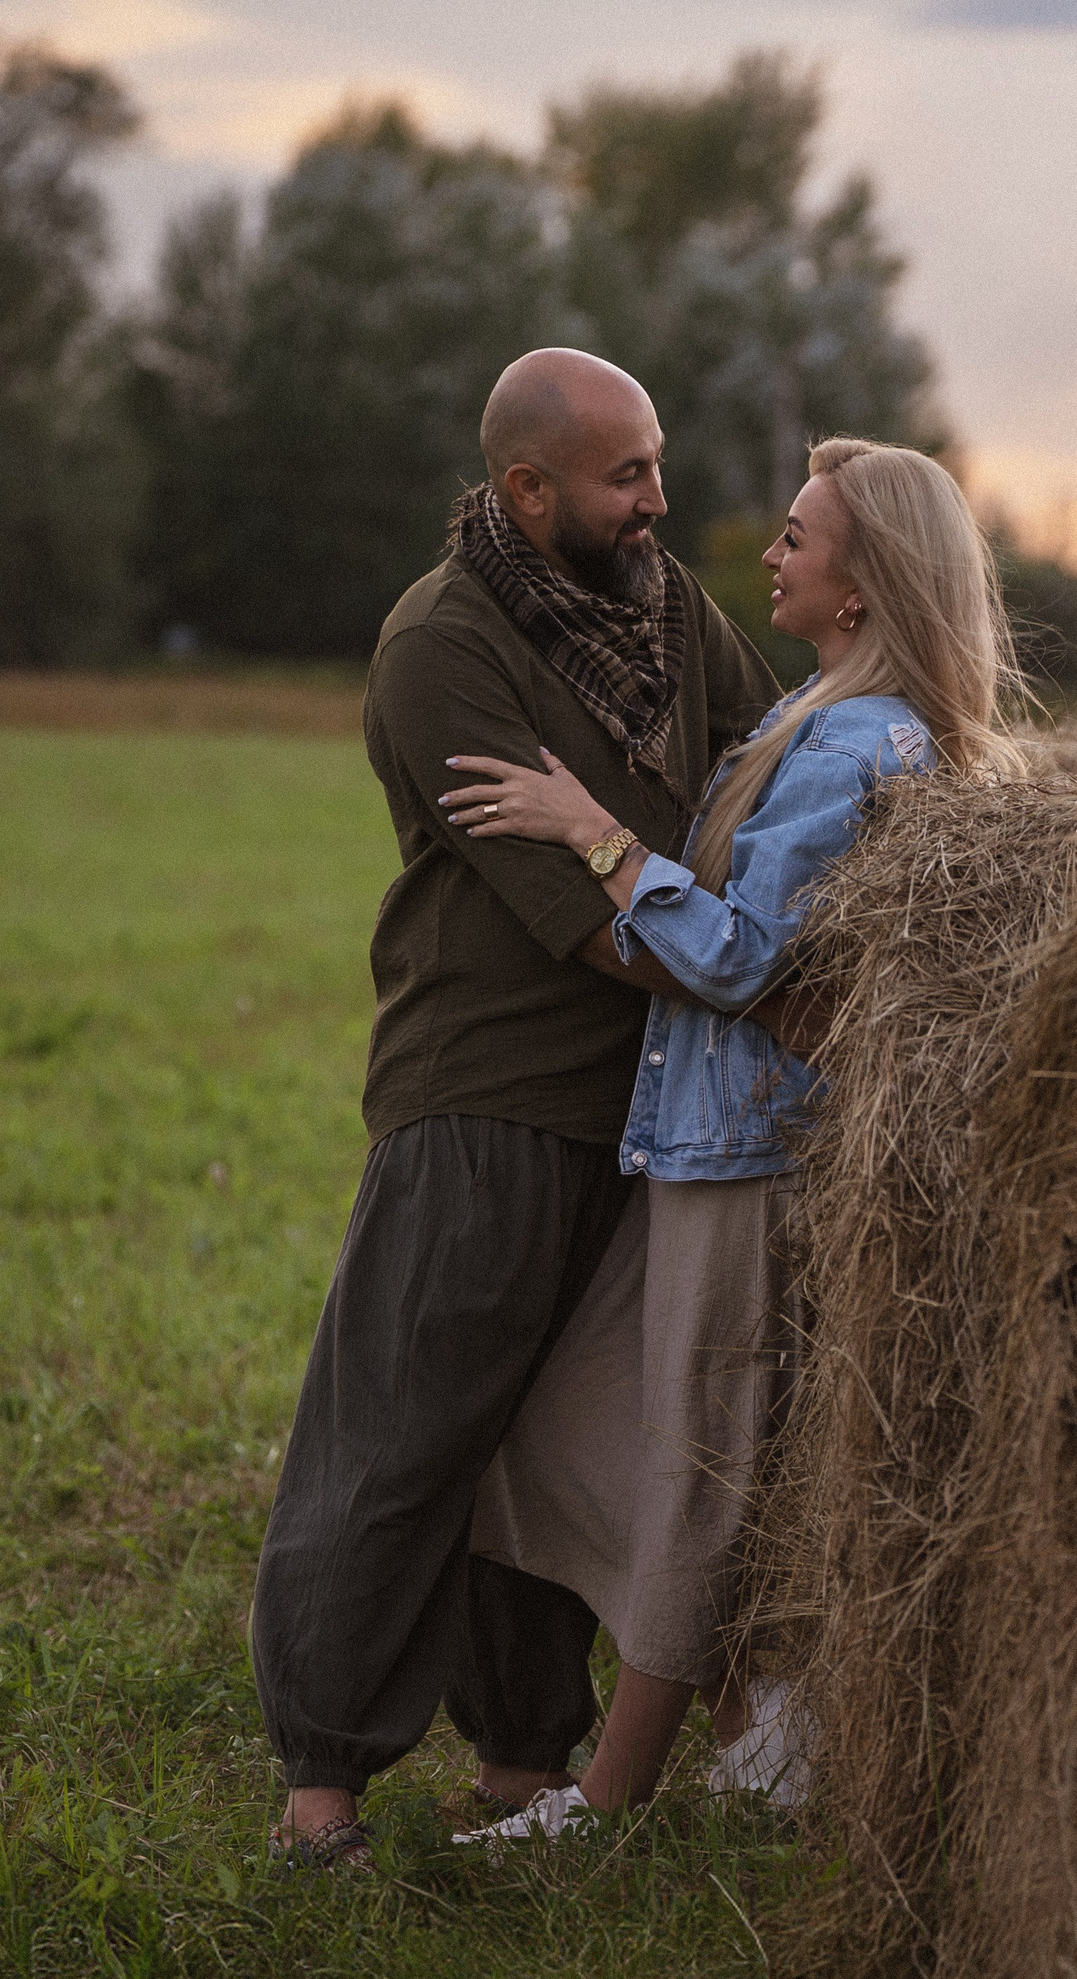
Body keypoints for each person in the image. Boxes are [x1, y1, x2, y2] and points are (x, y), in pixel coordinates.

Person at [434, 435, 1023, 1837]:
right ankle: (766, 1723)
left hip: (752, 1155)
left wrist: (593, 835)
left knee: (697, 1466)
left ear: (864, 584)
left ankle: (606, 1803)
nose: (770, 552)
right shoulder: (824, 714)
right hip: (708, 1143)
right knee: (576, 1424)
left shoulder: (856, 743)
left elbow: (746, 953)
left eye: (799, 537)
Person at [250, 347, 780, 1870]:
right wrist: (743, 955)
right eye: (627, 476)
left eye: (657, 463)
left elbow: (768, 768)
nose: (657, 500)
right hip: (486, 1092)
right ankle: (321, 1788)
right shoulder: (442, 645)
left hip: (651, 1098)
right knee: (405, 1429)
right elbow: (595, 920)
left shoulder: (666, 610)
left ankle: (521, 1758)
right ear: (527, 488)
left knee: (546, 1442)